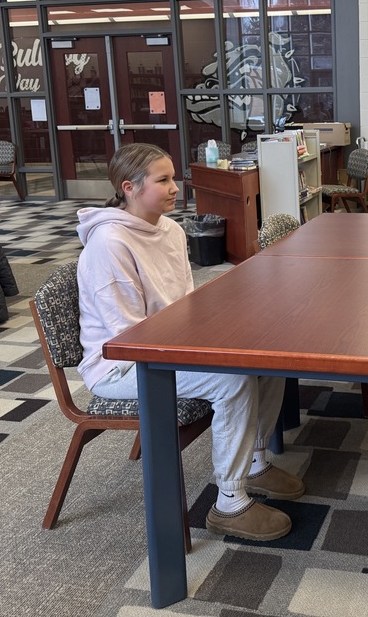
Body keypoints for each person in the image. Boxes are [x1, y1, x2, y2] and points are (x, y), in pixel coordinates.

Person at [76, 143, 303, 541]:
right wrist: (203, 351)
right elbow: (127, 337)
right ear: (129, 187)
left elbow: (185, 304)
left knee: (266, 356)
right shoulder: (109, 243)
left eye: (173, 178)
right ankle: (229, 503)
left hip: (169, 343)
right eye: (162, 180)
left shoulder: (171, 229)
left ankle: (254, 461)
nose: (175, 188)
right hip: (121, 365)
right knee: (231, 379)